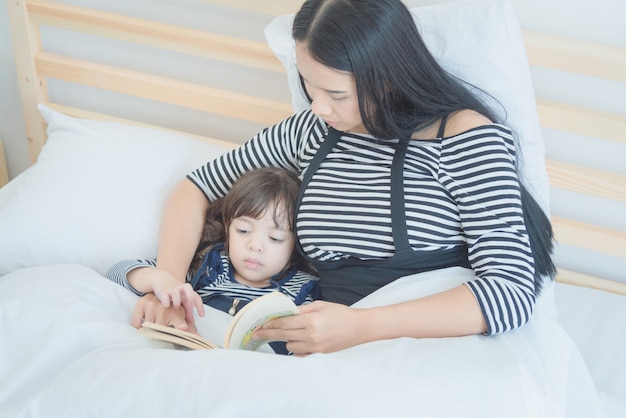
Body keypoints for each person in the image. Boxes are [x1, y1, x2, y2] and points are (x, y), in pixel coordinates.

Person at [130, 0, 555, 355]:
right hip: (322, 347)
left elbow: (511, 290)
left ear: (389, 76)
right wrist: (169, 284)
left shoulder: (464, 136)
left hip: (427, 345)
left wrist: (362, 327)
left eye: (336, 94)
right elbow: (196, 187)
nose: (318, 107)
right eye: (309, 86)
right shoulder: (310, 132)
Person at [106, 167, 319, 344]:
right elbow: (115, 274)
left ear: (296, 244)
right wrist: (159, 279)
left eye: (274, 238)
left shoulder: (305, 292)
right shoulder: (206, 267)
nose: (255, 245)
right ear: (227, 227)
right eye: (243, 231)